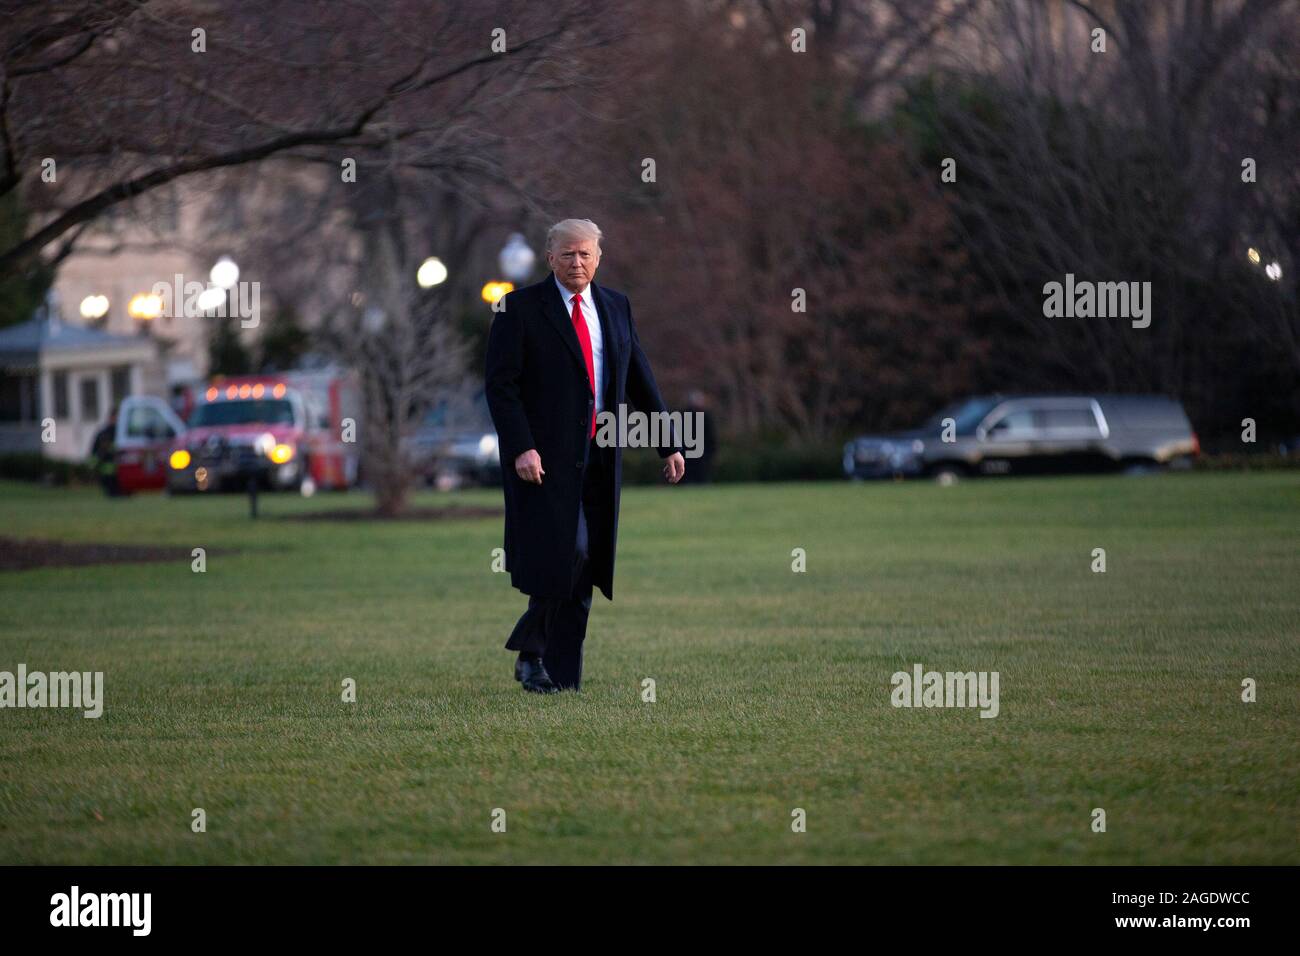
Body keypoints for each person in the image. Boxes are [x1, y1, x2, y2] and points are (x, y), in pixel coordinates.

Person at [485, 218, 685, 693]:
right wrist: (521, 447)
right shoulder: (516, 308)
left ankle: (560, 675)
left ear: (599, 258)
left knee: (587, 561)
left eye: (586, 254)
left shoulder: (616, 306)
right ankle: (531, 652)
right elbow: (501, 386)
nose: (577, 262)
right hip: (542, 459)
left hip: (602, 453)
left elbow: (639, 377)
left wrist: (669, 441)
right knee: (565, 552)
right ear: (549, 257)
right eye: (568, 254)